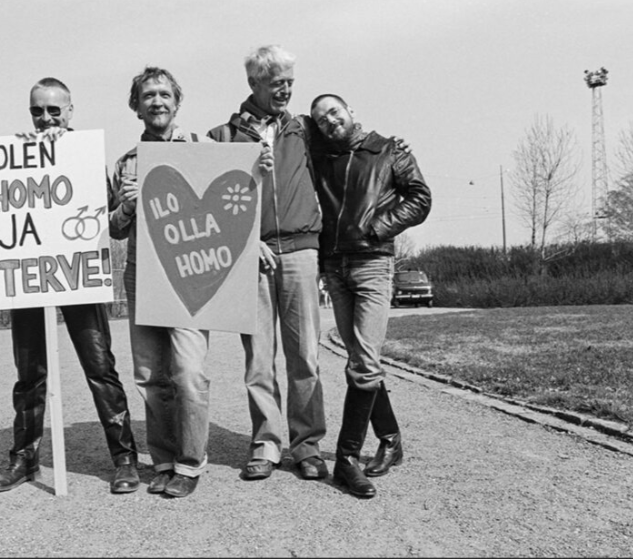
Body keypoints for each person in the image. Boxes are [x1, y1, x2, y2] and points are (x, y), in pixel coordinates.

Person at [0, 77, 140, 494]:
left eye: (55, 110)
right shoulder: (18, 153)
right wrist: (13, 164)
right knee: (29, 373)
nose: (46, 118)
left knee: (100, 367)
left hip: (77, 274)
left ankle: (124, 457)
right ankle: (24, 458)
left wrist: (124, 199)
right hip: (32, 276)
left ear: (70, 112)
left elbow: (109, 211)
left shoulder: (85, 154)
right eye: (38, 110)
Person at [207, 45, 329, 482]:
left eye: (291, 82)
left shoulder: (304, 129)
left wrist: (390, 148)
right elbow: (213, 205)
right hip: (250, 256)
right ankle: (266, 442)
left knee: (305, 354)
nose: (286, 90)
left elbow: (349, 146)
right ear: (254, 84)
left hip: (300, 249)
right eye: (277, 82)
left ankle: (308, 444)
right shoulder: (223, 136)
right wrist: (244, 240)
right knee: (259, 358)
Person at [308, 93, 431, 498]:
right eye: (320, 119)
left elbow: (420, 198)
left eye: (334, 112)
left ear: (350, 111)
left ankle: (346, 458)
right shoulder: (320, 155)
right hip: (335, 269)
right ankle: (391, 439)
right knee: (361, 361)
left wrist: (377, 228)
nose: (329, 121)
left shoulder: (388, 150)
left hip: (373, 265)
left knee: (362, 364)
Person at [109, 67, 212, 498]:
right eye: (147, 95)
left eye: (164, 94)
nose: (156, 101)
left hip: (190, 271)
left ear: (177, 101)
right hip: (143, 273)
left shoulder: (202, 150)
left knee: (188, 372)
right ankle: (164, 461)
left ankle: (190, 464)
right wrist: (128, 208)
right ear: (136, 106)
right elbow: (113, 228)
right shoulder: (126, 163)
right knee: (151, 375)